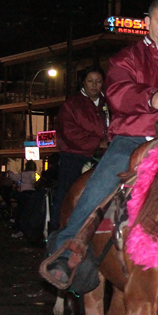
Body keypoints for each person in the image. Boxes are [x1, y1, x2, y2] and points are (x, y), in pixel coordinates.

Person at [43, 0, 158, 288]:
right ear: (147, 23)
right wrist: (149, 96)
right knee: (101, 183)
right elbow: (117, 90)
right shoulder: (126, 58)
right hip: (133, 138)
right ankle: (68, 248)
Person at [49, 65, 110, 231]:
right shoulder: (72, 105)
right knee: (67, 191)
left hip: (104, 155)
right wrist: (97, 142)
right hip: (75, 155)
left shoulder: (109, 104)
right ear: (83, 82)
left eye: (98, 81)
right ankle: (57, 230)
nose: (94, 85)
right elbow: (69, 131)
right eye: (90, 81)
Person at [8, 161, 37, 238]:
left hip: (24, 194)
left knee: (21, 210)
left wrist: (10, 173)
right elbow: (34, 182)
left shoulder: (23, 174)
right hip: (31, 193)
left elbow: (14, 177)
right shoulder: (33, 174)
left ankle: (19, 228)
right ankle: (28, 229)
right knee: (29, 212)